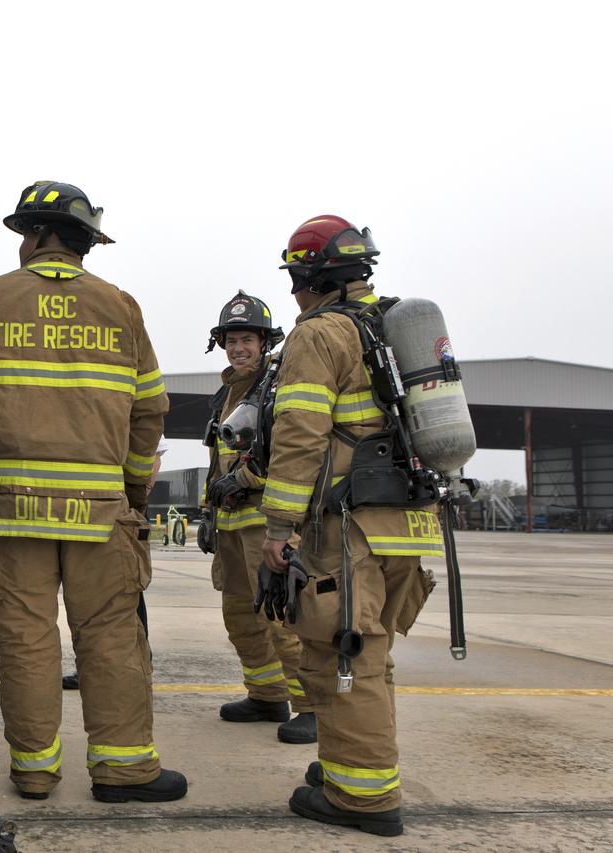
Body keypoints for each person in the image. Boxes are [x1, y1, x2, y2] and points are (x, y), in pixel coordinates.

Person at [0, 181, 186, 803]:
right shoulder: (121, 306)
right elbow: (150, 411)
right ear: (84, 243)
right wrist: (133, 491)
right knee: (109, 637)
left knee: (25, 641)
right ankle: (125, 771)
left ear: (33, 236)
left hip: (8, 511)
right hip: (100, 513)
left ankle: (33, 770)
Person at [259, 215, 441, 837]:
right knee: (371, 648)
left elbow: (300, 433)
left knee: (344, 652)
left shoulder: (323, 333)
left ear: (313, 274)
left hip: (348, 525)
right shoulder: (389, 325)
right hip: (407, 522)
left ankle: (363, 798)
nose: (291, 294)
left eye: (295, 278)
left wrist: (278, 525)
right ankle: (350, 765)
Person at [201, 292, 316, 744]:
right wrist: (208, 512)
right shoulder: (227, 392)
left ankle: (310, 705)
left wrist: (245, 479)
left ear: (265, 342)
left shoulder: (278, 382)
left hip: (266, 523)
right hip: (230, 525)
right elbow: (216, 459)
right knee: (240, 617)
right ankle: (267, 694)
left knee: (282, 618)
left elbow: (292, 448)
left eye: (247, 339)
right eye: (231, 341)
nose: (238, 349)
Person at [62, 437, 164, 691]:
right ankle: (92, 664)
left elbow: (153, 452)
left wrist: (134, 502)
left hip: (118, 509)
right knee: (86, 597)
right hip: (80, 507)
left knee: (124, 591)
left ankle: (136, 664)